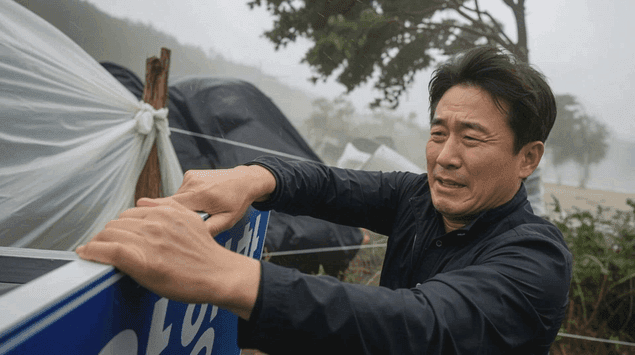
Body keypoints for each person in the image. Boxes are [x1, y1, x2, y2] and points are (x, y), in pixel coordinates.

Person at [76, 46, 572, 354]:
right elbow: (332, 185)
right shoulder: (419, 198)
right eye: (438, 132)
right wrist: (254, 176)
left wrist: (224, 273)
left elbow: (419, 327)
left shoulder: (533, 262)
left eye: (472, 138)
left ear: (527, 158)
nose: (445, 157)